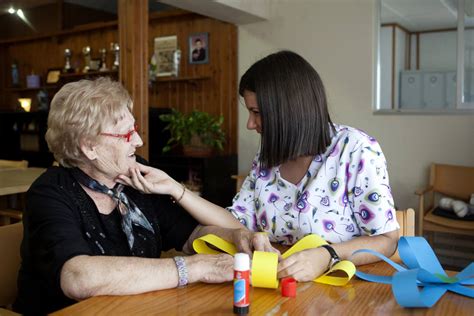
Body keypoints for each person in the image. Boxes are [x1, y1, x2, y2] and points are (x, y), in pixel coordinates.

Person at [13, 77, 268, 315]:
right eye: (126, 134)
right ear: (88, 146)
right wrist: (193, 268)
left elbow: (192, 234)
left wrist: (237, 237)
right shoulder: (49, 193)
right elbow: (78, 278)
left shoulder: (134, 178)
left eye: (134, 129)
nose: (138, 141)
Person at [227, 50, 400, 281]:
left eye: (256, 112)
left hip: (342, 291)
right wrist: (178, 191)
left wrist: (327, 255)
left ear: (288, 110)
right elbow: (235, 220)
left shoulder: (356, 149)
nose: (250, 124)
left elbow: (388, 240)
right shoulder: (267, 155)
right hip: (277, 287)